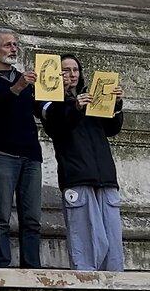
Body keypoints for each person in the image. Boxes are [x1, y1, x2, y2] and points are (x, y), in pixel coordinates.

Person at [40, 54, 125, 271]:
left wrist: (115, 105)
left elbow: (112, 129)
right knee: (85, 243)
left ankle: (114, 287)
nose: (72, 75)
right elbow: (57, 125)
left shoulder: (92, 96)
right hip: (77, 177)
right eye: (66, 70)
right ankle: (86, 285)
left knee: (113, 240)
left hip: (105, 178)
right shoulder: (50, 102)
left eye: (75, 70)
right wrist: (75, 108)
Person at [0, 28, 42, 269]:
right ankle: (1, 266)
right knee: (1, 216)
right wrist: (16, 89)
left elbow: (41, 109)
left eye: (15, 44)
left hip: (31, 154)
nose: (13, 49)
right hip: (0, 152)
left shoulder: (26, 79)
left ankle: (32, 266)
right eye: (7, 45)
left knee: (32, 217)